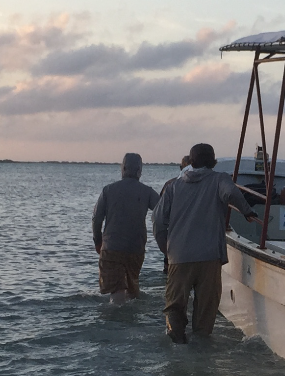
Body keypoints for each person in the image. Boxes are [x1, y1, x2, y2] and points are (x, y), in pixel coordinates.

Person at [152, 142, 258, 342]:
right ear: (213, 162)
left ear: (189, 162)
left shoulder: (173, 186)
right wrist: (246, 210)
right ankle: (200, 345)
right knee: (206, 308)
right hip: (210, 256)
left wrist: (167, 251)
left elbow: (157, 221)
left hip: (179, 257)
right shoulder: (219, 179)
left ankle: (177, 342)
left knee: (174, 306)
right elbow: (231, 193)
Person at [92, 153, 160, 302]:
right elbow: (163, 212)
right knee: (132, 289)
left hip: (111, 246)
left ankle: (115, 319)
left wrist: (97, 240)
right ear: (139, 171)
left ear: (123, 168)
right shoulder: (147, 191)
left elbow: (97, 218)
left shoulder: (108, 190)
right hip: (136, 248)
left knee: (115, 290)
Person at [160, 156, 191, 274]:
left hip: (171, 234)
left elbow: (160, 212)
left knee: (170, 270)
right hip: (188, 235)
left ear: (180, 167)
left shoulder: (170, 185)